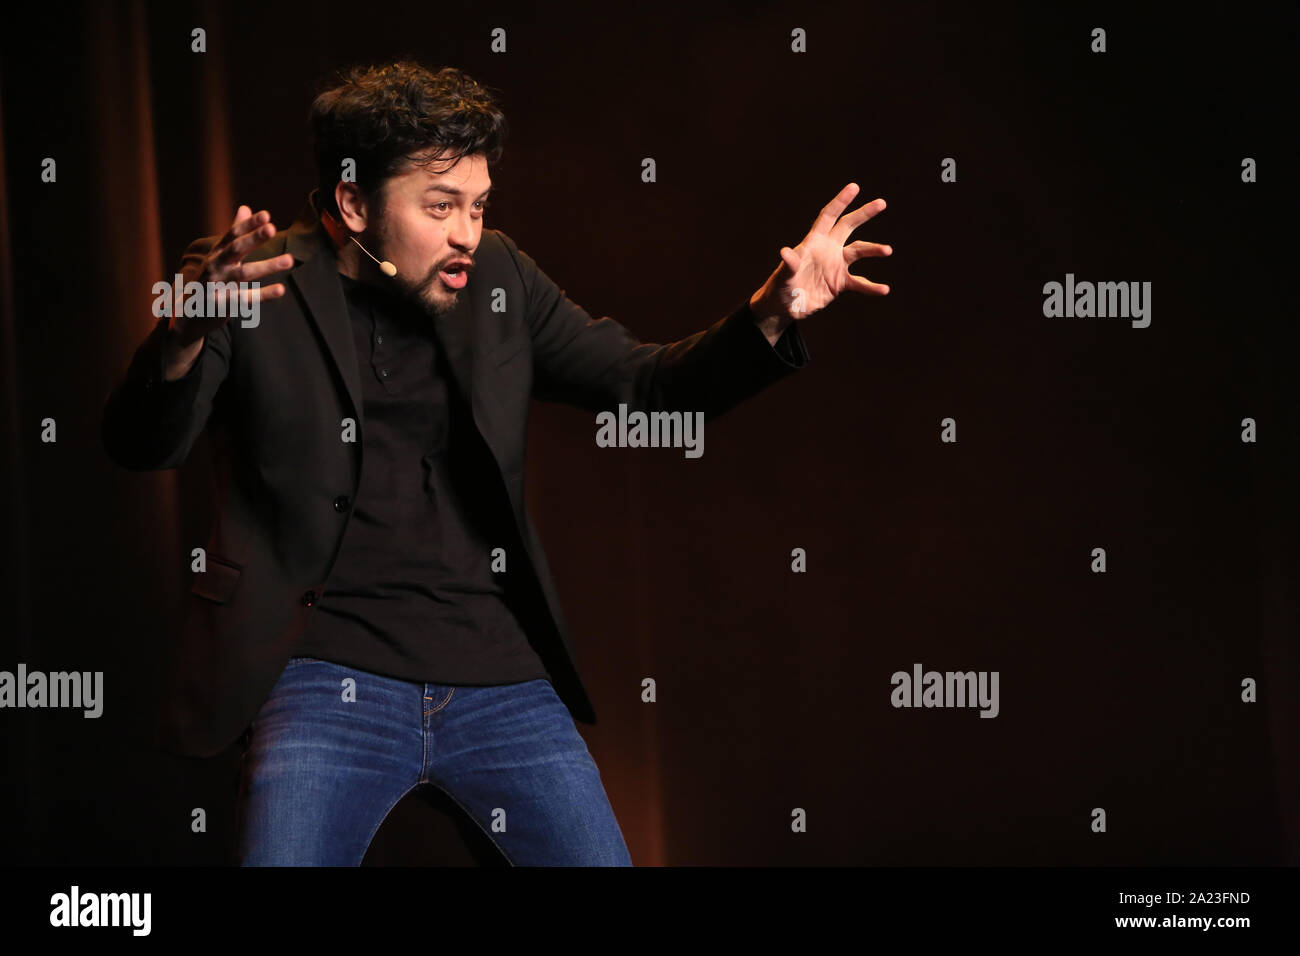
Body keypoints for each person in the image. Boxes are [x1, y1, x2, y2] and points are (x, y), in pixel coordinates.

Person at [101, 60, 893, 866]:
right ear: (353, 203)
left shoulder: (498, 277)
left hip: (497, 680)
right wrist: (182, 335)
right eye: (440, 207)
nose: (466, 234)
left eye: (478, 207)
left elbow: (643, 384)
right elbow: (141, 444)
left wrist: (767, 315)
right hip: (322, 678)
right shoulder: (251, 279)